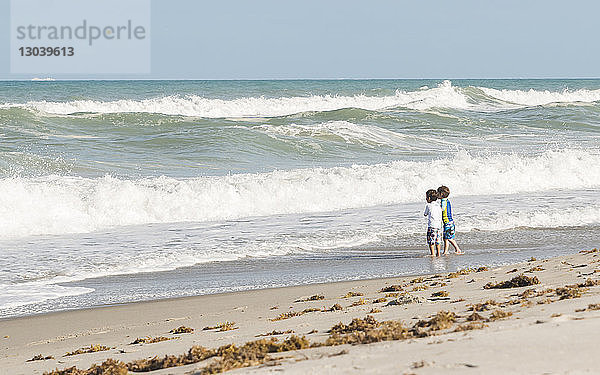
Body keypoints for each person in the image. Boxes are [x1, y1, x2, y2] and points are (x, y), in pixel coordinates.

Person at [437, 185, 464, 255]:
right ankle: (445, 251)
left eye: (438, 193)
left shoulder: (443, 201)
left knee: (449, 238)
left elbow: (442, 209)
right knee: (446, 238)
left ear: (441, 194)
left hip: (447, 222)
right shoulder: (447, 201)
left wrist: (436, 208)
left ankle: (457, 249)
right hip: (450, 222)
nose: (437, 194)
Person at [423, 189, 442, 257]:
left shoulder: (428, 205)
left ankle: (433, 253)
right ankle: (438, 253)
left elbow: (425, 214)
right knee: (438, 240)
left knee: (431, 241)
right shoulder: (438, 205)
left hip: (432, 226)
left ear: (429, 198)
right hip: (439, 226)